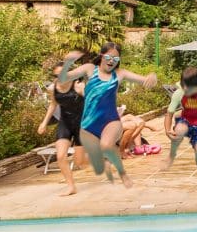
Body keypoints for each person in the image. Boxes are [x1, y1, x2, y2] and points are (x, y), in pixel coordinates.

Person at [58, 43, 157, 188]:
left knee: (106, 145)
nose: (111, 61)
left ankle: (122, 173)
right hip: (89, 123)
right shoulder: (89, 69)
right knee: (83, 161)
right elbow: (63, 79)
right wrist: (67, 63)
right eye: (109, 57)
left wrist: (151, 77)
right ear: (102, 56)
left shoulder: (120, 74)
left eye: (115, 59)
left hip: (110, 120)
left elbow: (145, 80)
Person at [36, 61, 86, 196]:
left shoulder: (78, 85)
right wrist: (44, 123)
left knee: (80, 162)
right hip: (65, 123)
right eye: (57, 74)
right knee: (60, 156)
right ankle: (71, 186)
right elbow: (53, 105)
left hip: (81, 125)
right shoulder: (54, 88)